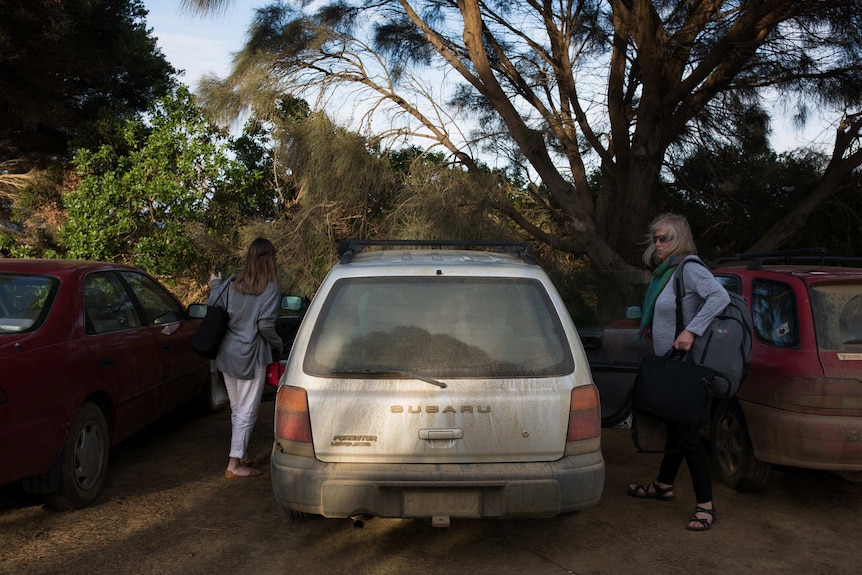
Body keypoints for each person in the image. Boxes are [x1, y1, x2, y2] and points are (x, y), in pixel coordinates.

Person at [627, 213, 729, 531]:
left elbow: (719, 297)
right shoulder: (666, 272)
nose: (658, 244)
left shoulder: (690, 268)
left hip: (684, 366)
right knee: (676, 429)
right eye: (656, 238)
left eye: (664, 238)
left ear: (680, 239)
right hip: (669, 364)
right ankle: (663, 485)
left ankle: (706, 506)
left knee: (687, 437)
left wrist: (691, 331)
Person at [209, 238, 283, 478]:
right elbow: (265, 325)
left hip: (227, 355)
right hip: (251, 357)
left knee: (237, 409)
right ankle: (234, 464)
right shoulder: (270, 288)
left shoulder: (231, 283)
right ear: (270, 260)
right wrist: (278, 344)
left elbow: (213, 306)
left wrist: (215, 285)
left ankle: (241, 454)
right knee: (247, 411)